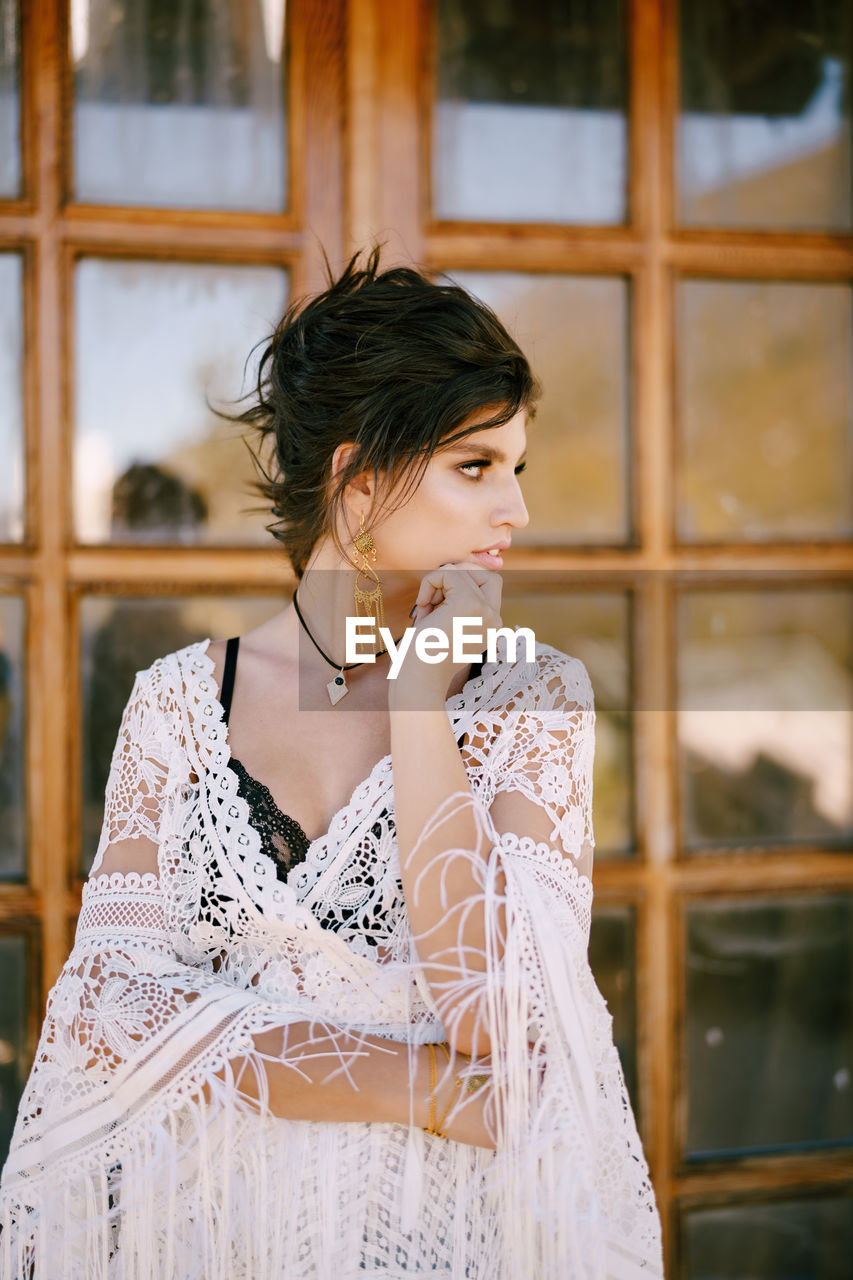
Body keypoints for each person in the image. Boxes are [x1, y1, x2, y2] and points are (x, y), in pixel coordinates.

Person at [0, 248, 664, 1279]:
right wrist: (422, 1086)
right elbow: (107, 1015)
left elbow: (494, 1008)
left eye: (515, 467)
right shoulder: (178, 702)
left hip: (449, 1233)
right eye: (476, 466)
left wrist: (417, 705)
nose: (516, 511)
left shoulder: (532, 696)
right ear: (356, 483)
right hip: (217, 1229)